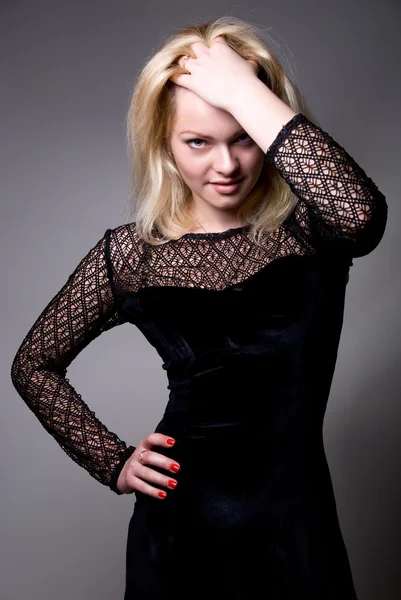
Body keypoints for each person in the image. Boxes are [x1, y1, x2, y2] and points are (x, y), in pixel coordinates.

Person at [10, 16, 388, 600]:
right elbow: (31, 363)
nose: (227, 165)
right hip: (180, 527)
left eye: (243, 135)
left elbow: (362, 217)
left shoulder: (310, 229)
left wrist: (243, 89)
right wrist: (112, 461)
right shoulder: (135, 254)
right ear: (163, 140)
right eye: (198, 142)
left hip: (296, 524)